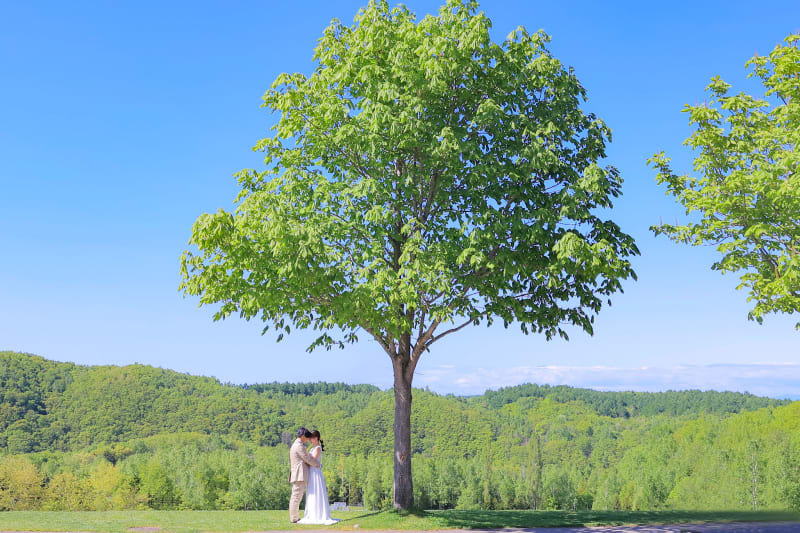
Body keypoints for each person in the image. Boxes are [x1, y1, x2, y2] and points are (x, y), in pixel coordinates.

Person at [298, 430, 339, 525]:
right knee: (312, 492)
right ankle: (313, 513)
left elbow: (312, 460)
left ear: (316, 438)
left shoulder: (317, 448)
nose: (310, 440)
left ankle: (318, 514)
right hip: (312, 472)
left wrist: (305, 455)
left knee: (316, 491)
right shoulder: (313, 448)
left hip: (316, 473)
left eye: (311, 438)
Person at [288, 427, 320, 523]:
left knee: (297, 496)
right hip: (299, 474)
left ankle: (295, 517)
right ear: (302, 436)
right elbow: (307, 458)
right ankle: (294, 518)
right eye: (306, 437)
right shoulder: (299, 446)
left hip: (299, 474)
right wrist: (318, 464)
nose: (307, 439)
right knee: (296, 496)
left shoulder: (297, 444)